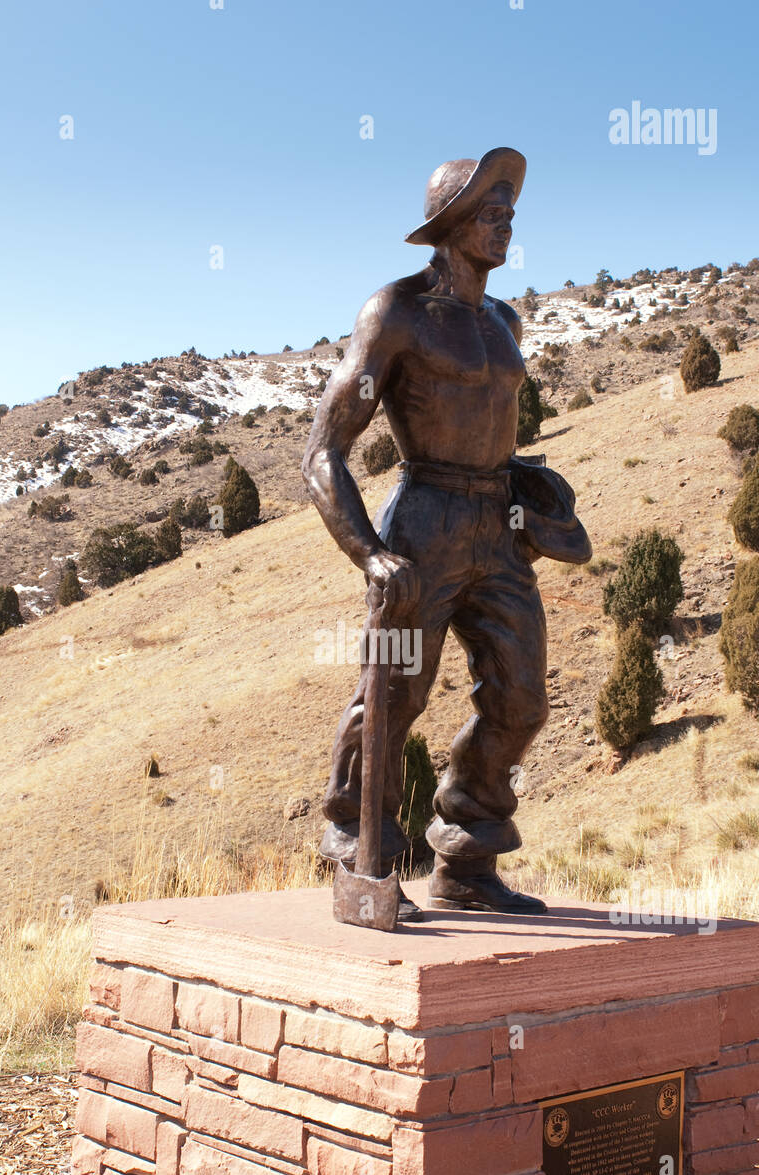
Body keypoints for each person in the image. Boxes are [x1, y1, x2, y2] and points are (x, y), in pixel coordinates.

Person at [302, 148, 591, 921]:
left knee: (522, 697)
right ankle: (350, 832)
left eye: (508, 214)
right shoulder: (394, 312)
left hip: (497, 526)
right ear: (452, 225)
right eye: (490, 214)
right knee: (393, 695)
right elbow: (322, 451)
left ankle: (465, 856)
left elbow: (490, 426)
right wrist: (369, 553)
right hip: (423, 518)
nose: (505, 225)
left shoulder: (503, 319)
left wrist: (528, 485)